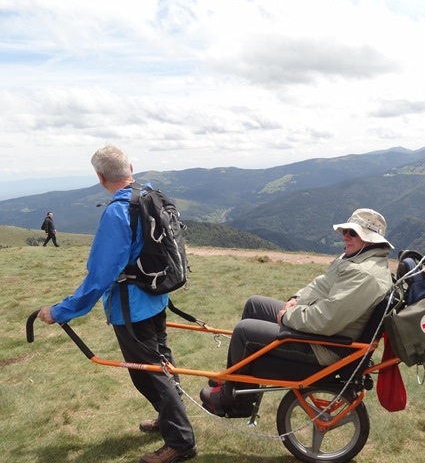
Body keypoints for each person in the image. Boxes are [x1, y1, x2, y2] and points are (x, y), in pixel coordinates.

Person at [37, 144, 196, 463]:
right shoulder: (149, 193)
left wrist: (59, 311)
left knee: (149, 373)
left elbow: (100, 275)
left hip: (132, 308)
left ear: (100, 176)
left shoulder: (118, 211)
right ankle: (170, 420)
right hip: (156, 297)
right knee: (162, 362)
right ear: (130, 167)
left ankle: (180, 441)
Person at [200, 208, 394, 417]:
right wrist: (295, 299)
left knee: (244, 332)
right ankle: (236, 378)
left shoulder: (364, 275)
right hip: (321, 333)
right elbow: (321, 285)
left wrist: (287, 316)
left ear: (371, 239)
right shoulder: (357, 258)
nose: (346, 236)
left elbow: (326, 320)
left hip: (326, 346)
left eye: (353, 233)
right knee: (254, 305)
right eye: (345, 231)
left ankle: (236, 401)